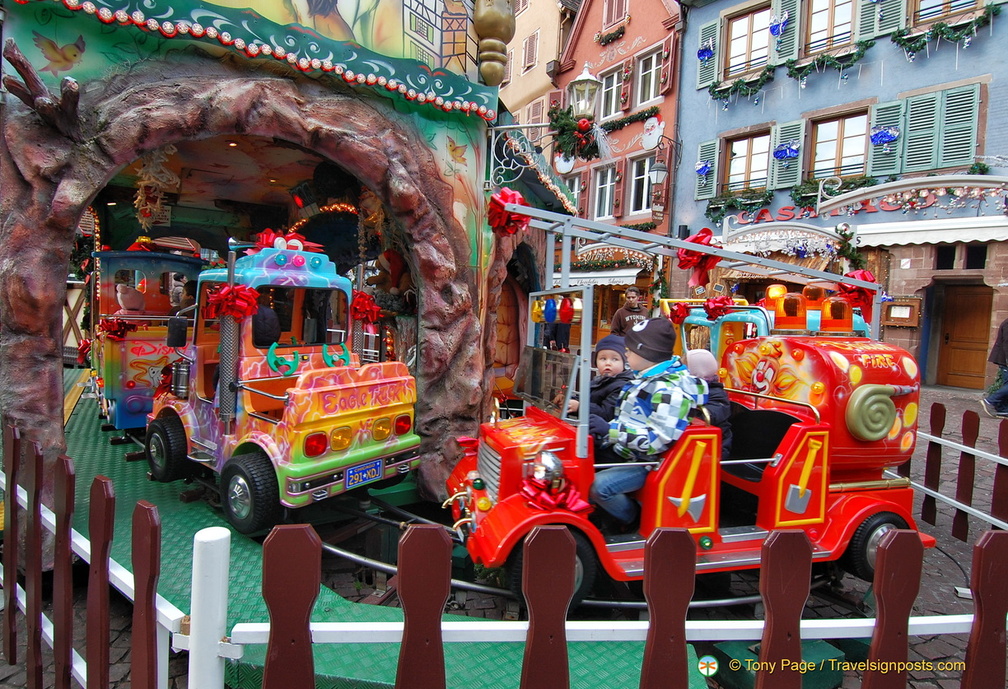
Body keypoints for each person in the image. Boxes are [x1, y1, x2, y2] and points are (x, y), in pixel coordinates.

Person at [590, 318, 709, 529]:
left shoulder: (669, 391)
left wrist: (611, 430)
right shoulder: (645, 379)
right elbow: (630, 419)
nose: (626, 355)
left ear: (647, 354)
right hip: (628, 452)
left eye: (630, 351)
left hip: (649, 462)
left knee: (599, 487)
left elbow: (656, 440)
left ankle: (631, 520)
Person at [566, 335, 634, 449]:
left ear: (624, 363)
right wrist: (569, 401)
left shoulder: (621, 385)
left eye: (615, 359)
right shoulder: (599, 381)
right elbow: (588, 399)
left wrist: (579, 407)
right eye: (603, 359)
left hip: (606, 439)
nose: (608, 363)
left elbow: (606, 414)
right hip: (591, 432)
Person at [686, 348, 733, 456]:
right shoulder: (690, 389)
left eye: (685, 368)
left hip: (715, 447)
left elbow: (709, 417)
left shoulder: (717, 394)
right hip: (696, 442)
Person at [982, 317, 1008, 418]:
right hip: (1004, 360)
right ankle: (990, 400)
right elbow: (1007, 343)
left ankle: (1003, 409)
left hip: (1004, 360)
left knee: (1007, 384)